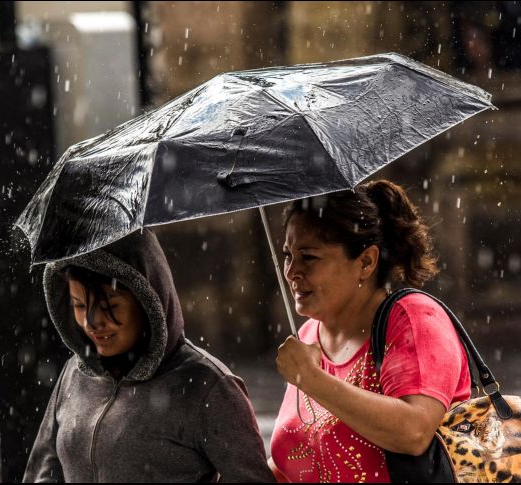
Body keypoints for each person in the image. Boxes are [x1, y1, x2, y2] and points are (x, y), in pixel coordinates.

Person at [23, 229, 274, 482]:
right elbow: (42, 474)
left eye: (109, 305)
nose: (92, 322)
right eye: (79, 305)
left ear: (147, 299)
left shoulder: (208, 385)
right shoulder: (73, 374)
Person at [269, 180, 471, 483]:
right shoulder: (308, 335)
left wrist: (311, 379)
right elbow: (295, 461)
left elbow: (414, 432)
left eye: (308, 257)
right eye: (288, 255)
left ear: (365, 262)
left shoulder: (412, 319)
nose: (292, 272)